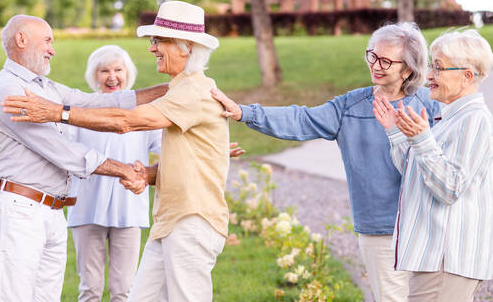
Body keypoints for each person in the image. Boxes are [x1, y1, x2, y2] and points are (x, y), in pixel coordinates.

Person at [3, 1, 232, 302]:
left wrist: (56, 112)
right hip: (169, 221)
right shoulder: (179, 88)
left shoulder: (193, 91)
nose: (151, 48)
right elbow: (179, 159)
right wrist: (146, 174)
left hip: (192, 220)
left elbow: (123, 121)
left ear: (185, 47)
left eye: (158, 40)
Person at [210, 22, 441, 301]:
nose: (376, 65)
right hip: (379, 229)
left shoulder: (430, 105)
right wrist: (243, 113)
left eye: (386, 61)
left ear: (407, 70)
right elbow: (301, 119)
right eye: (372, 56)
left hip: (427, 226)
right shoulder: (351, 106)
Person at [0, 14, 166, 301]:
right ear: (21, 40)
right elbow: (63, 151)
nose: (52, 50)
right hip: (22, 210)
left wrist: (167, 90)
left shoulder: (44, 87)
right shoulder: (9, 91)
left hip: (53, 210)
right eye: (47, 41)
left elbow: (96, 102)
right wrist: (124, 170)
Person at [373, 29, 493, 301]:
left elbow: (448, 187)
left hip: (447, 259)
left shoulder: (473, 120)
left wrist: (422, 139)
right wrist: (397, 133)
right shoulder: (450, 119)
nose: (428, 76)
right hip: (436, 259)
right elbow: (418, 175)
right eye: (431, 66)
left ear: (467, 76)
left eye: (438, 68)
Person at [68, 45, 162, 302]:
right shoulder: (82, 110)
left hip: (128, 208)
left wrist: (214, 149)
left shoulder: (142, 112)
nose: (112, 77)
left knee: (124, 290)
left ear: (128, 73)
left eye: (118, 70)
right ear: (94, 75)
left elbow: (170, 146)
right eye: (104, 70)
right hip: (87, 208)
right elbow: (65, 153)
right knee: (90, 289)